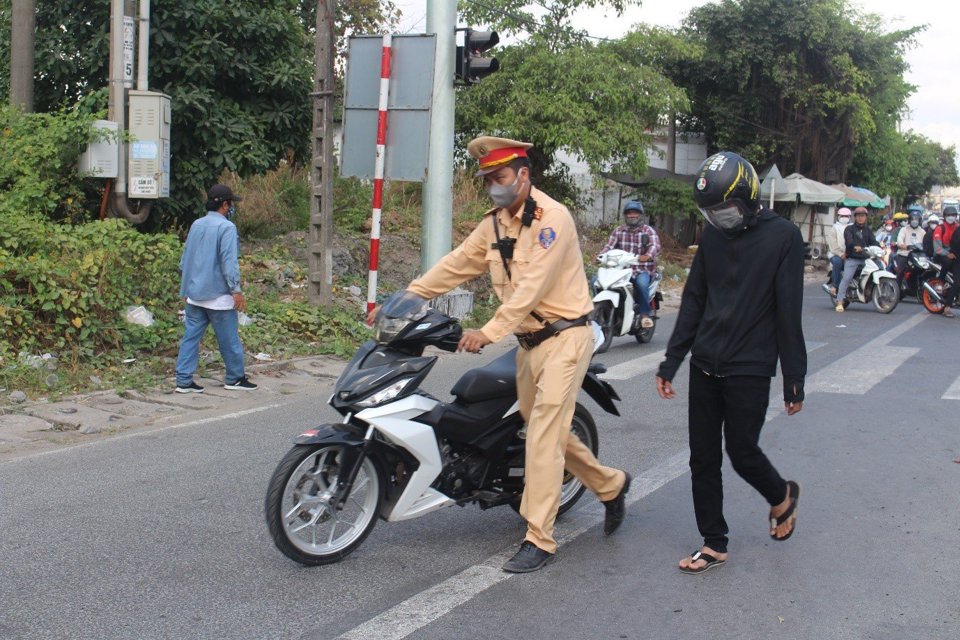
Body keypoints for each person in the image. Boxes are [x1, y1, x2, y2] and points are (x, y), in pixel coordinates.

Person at [401, 136, 631, 573]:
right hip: (529, 346)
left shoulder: (552, 220)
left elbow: (531, 288)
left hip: (567, 338)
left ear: (523, 175)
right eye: (487, 179)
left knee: (542, 436)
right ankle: (610, 484)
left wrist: (487, 332)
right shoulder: (494, 224)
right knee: (549, 430)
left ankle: (539, 538)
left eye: (500, 178)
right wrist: (411, 295)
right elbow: (458, 262)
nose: (494, 187)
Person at [654, 151, 805, 575]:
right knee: (702, 457)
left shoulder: (784, 237)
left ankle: (782, 495)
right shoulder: (715, 236)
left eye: (725, 209)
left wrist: (795, 378)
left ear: (749, 196)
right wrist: (671, 361)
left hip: (750, 367)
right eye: (712, 212)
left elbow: (788, 311)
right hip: (705, 363)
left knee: (741, 451)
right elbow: (695, 299)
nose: (720, 219)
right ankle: (714, 542)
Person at [174, 184, 257, 393]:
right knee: (229, 340)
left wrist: (185, 290)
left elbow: (186, 259)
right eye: (231, 204)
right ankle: (235, 378)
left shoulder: (196, 224)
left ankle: (183, 380)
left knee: (190, 338)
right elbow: (229, 262)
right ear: (225, 204)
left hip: (194, 295)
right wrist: (236, 290)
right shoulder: (227, 227)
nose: (231, 208)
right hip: (218, 297)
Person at [598, 200, 661, 329]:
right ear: (625, 216)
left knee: (642, 284)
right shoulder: (619, 231)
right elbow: (609, 246)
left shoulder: (648, 231)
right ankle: (600, 310)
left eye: (635, 213)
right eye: (629, 213)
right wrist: (600, 256)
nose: (632, 216)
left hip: (641, 270)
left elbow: (655, 246)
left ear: (640, 215)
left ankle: (644, 315)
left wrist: (647, 256)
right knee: (596, 281)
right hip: (620, 270)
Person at [835, 207, 880, 312]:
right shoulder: (849, 229)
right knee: (847, 278)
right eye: (858, 216)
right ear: (855, 217)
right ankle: (840, 301)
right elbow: (849, 242)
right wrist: (855, 246)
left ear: (866, 218)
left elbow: (874, 242)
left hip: (866, 258)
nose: (860, 218)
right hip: (853, 258)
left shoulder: (868, 230)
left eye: (862, 216)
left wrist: (880, 247)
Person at [934, 205, 960, 317]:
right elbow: (937, 248)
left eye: (953, 215)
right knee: (957, 281)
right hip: (942, 253)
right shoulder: (940, 228)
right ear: (944, 216)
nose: (951, 217)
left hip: (955, 254)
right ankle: (947, 307)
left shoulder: (957, 227)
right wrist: (948, 254)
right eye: (949, 215)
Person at [894, 210, 925, 288]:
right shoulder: (904, 230)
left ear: (919, 220)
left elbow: (926, 244)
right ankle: (897, 289)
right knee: (900, 272)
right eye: (913, 219)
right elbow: (899, 241)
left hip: (917, 256)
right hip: (904, 254)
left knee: (923, 271)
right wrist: (906, 247)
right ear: (910, 220)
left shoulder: (922, 231)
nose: (914, 221)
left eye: (916, 219)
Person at [826, 207, 851, 295]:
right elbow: (833, 245)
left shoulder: (852, 227)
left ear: (849, 217)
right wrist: (841, 254)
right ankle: (835, 285)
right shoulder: (834, 228)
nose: (844, 217)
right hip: (835, 254)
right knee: (838, 262)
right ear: (838, 216)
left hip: (850, 254)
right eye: (842, 216)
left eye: (846, 216)